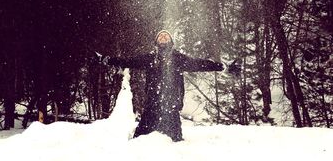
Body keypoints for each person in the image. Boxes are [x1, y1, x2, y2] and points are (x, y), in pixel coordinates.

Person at [95, 30, 241, 142]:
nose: (163, 37)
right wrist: (106, 60)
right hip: (152, 107)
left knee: (176, 144)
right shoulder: (150, 58)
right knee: (138, 142)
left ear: (171, 41)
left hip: (171, 107)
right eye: (160, 36)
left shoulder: (178, 58)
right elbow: (128, 61)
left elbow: (200, 64)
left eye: (166, 36)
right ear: (156, 42)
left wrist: (223, 67)